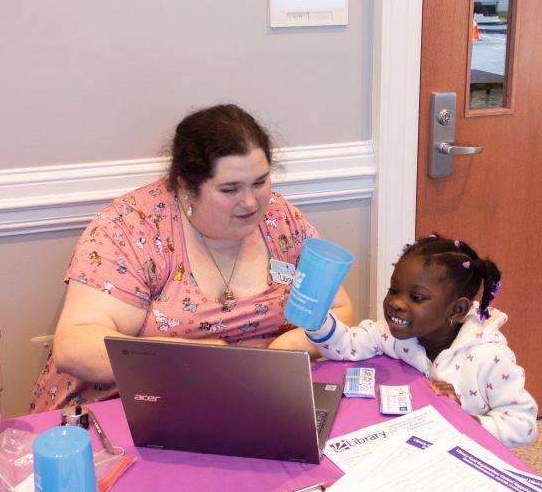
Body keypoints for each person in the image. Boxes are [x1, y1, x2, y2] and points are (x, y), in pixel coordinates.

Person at [30, 104, 353, 412]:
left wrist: (282, 353)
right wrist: (198, 360)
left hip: (250, 398)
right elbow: (74, 348)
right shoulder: (131, 227)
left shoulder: (280, 219)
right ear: (186, 186)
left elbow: (338, 309)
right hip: (132, 403)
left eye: (260, 182)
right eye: (230, 190)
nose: (252, 202)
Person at [304, 233, 537, 448]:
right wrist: (317, 322)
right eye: (394, 290)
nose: (396, 302)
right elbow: (348, 346)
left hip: (465, 457)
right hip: (414, 444)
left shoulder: (490, 358)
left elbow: (523, 426)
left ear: (456, 310)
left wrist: (462, 419)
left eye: (417, 297)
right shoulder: (392, 333)